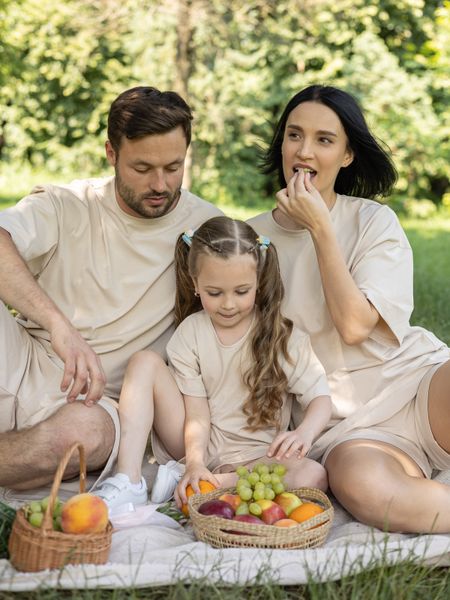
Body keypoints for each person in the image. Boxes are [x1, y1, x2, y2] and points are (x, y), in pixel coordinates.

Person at [248, 84, 450, 534]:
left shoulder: (374, 221)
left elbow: (357, 324)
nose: (304, 151)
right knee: (366, 489)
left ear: (347, 155)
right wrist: (317, 226)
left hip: (416, 383)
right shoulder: (249, 242)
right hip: (345, 426)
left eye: (324, 140)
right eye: (294, 135)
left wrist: (321, 226)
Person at [0, 86, 222, 491]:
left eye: (173, 167)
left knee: (82, 438)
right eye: (142, 168)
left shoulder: (206, 228)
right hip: (24, 361)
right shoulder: (67, 203)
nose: (160, 184)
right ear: (111, 153)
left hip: (98, 403)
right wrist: (58, 325)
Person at [93, 216, 331, 512]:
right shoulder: (191, 333)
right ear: (195, 284)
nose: (228, 304)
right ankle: (130, 480)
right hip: (196, 442)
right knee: (144, 361)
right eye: (214, 293)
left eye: (242, 291)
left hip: (259, 455)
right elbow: (196, 413)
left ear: (258, 281)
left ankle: (213, 483)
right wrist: (195, 461)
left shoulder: (284, 337)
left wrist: (303, 432)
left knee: (313, 474)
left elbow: (321, 398)